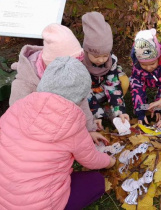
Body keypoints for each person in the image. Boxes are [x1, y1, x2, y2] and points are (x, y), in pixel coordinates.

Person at [0, 57, 116, 209]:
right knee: (97, 182)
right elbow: (91, 159)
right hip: (40, 205)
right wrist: (110, 161)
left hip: (5, 197)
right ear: (80, 97)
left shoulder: (19, 105)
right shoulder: (72, 123)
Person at [9, 23, 107, 145]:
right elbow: (17, 115)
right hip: (34, 134)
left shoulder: (72, 69)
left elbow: (82, 100)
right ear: (54, 65)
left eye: (77, 62)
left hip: (59, 123)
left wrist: (90, 129)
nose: (76, 66)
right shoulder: (25, 82)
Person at [82, 12, 129, 127]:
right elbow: (84, 92)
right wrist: (96, 114)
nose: (101, 60)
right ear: (87, 50)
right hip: (85, 94)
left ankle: (111, 111)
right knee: (84, 98)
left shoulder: (111, 61)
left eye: (105, 55)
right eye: (96, 56)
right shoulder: (80, 63)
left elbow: (113, 86)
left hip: (101, 90)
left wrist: (120, 111)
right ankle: (96, 115)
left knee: (122, 80)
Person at [130, 28, 161, 125]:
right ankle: (141, 113)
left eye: (152, 64)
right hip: (148, 79)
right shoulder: (137, 65)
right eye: (144, 65)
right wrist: (140, 111)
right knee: (134, 84)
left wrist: (158, 108)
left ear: (158, 58)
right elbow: (137, 87)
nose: (149, 68)